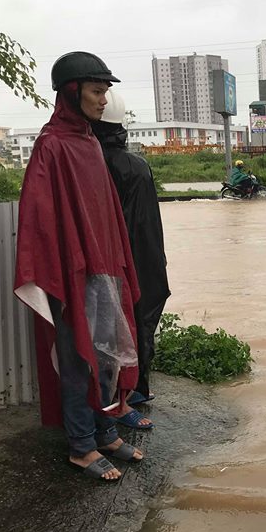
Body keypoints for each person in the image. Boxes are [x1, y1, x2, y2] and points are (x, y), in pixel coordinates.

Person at [14, 51, 144, 481]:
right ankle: (81, 446)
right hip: (71, 275)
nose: (103, 99)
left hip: (105, 271)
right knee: (76, 360)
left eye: (105, 91)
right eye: (96, 90)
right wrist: (57, 277)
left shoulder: (88, 142)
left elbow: (105, 215)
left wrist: (119, 264)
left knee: (106, 357)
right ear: (72, 93)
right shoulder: (51, 146)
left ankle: (105, 431)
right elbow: (38, 218)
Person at [91, 88, 171, 422]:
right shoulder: (137, 166)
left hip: (116, 263)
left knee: (110, 330)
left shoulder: (93, 164)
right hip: (149, 261)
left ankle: (115, 398)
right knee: (141, 324)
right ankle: (137, 388)